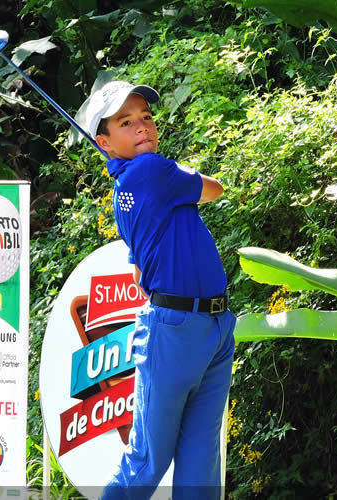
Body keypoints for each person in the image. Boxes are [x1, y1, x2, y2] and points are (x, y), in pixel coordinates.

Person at [80, 80, 235, 500]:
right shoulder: (151, 171)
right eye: (126, 122)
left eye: (146, 117)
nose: (143, 127)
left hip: (214, 326)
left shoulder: (129, 189)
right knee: (147, 463)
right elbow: (215, 188)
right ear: (105, 143)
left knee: (199, 466)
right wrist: (185, 189)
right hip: (178, 329)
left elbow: (137, 274)